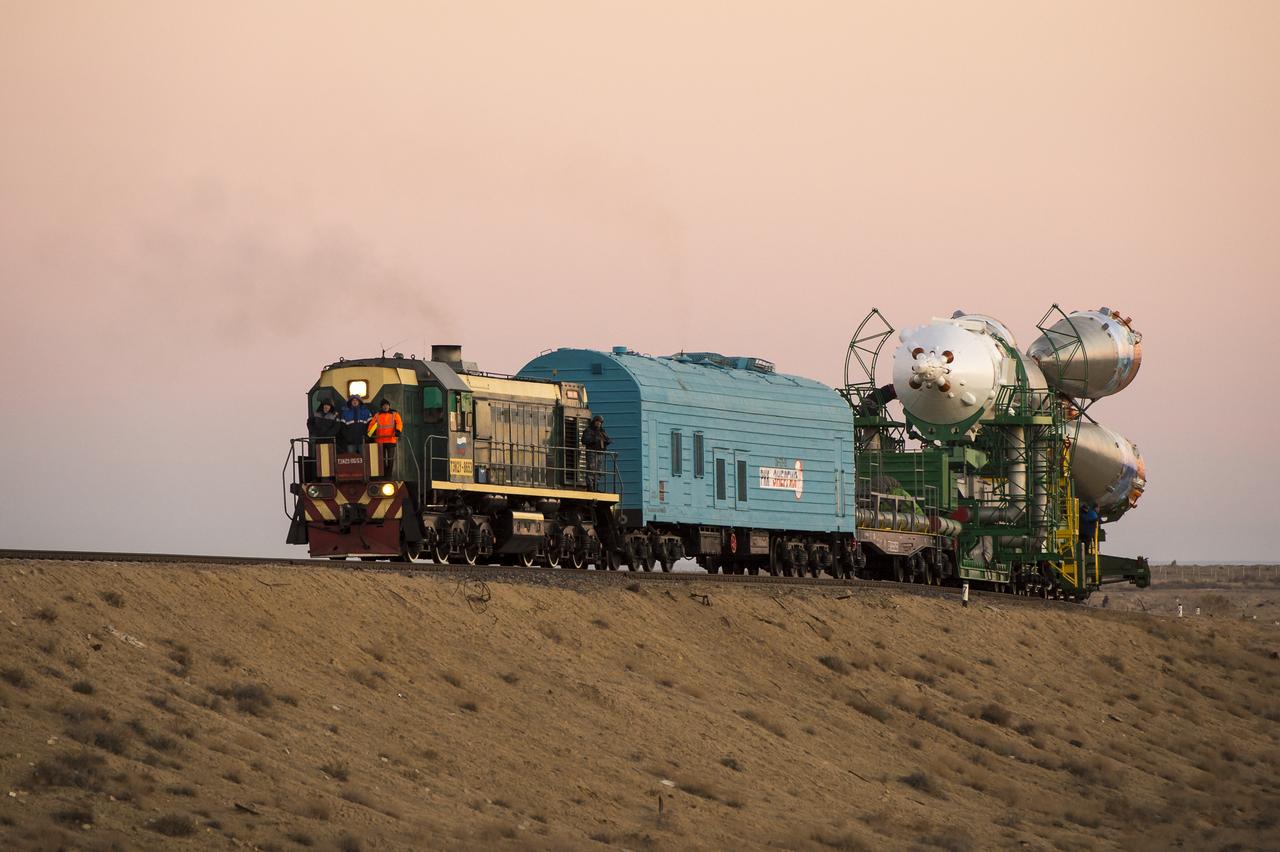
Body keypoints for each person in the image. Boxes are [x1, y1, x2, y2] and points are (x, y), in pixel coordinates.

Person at [367, 398, 403, 473]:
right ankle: (383, 473)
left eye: (387, 405)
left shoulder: (395, 414)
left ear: (389, 406)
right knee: (381, 459)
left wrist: (398, 431)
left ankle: (389, 474)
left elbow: (399, 423)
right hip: (380, 440)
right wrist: (370, 433)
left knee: (390, 459)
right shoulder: (377, 415)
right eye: (384, 405)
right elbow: (372, 425)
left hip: (391, 440)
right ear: (381, 407)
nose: (385, 407)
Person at [581, 414, 611, 490]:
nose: (599, 423)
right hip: (591, 452)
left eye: (600, 422)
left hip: (600, 453)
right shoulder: (589, 430)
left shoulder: (602, 431)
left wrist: (606, 441)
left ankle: (595, 486)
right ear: (594, 422)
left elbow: (608, 439)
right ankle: (590, 486)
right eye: (597, 421)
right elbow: (584, 440)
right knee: (591, 469)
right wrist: (594, 439)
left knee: (598, 471)